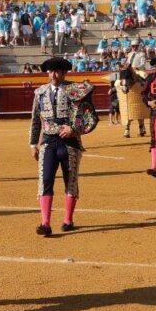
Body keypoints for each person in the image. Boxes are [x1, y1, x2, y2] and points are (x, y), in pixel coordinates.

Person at [29, 57, 98, 236]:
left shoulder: (76, 90)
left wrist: (74, 130)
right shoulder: (40, 92)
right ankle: (45, 223)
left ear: (65, 72)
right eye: (51, 71)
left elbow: (91, 118)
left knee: (71, 181)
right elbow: (36, 120)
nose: (54, 75)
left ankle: (68, 219)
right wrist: (33, 144)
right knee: (45, 181)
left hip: (70, 142)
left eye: (58, 71)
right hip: (48, 142)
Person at [114, 66, 149, 138]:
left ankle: (140, 129)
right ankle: (131, 130)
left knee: (139, 111)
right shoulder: (120, 80)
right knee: (128, 112)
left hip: (137, 74)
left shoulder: (140, 74)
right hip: (125, 94)